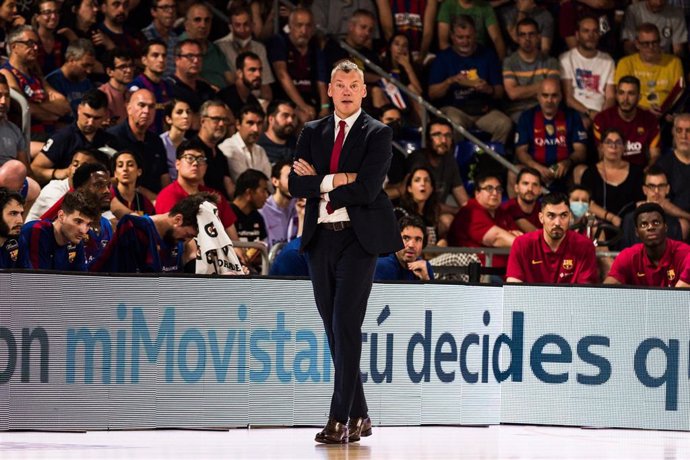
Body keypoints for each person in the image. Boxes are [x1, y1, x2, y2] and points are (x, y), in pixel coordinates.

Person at [289, 60, 402, 444]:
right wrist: (338, 179)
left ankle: (339, 419)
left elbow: (369, 189)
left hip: (359, 238)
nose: (348, 90)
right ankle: (362, 415)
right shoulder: (312, 131)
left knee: (345, 325)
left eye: (355, 84)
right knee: (334, 330)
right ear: (331, 90)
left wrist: (320, 185)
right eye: (341, 84)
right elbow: (293, 183)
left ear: (364, 90)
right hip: (320, 239)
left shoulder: (378, 133)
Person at [428, 15, 512, 145]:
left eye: (469, 37)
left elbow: (500, 92)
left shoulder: (488, 55)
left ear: (475, 35)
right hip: (456, 109)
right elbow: (432, 93)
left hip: (483, 111)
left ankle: (489, 161)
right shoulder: (443, 58)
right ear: (452, 36)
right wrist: (450, 81)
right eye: (460, 37)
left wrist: (488, 89)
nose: (465, 41)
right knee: (454, 122)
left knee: (504, 123)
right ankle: (458, 161)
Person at [94, 192, 214, 273]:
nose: (187, 240)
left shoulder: (179, 239)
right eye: (188, 235)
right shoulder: (134, 229)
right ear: (178, 219)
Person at [506, 191, 598, 283]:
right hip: (531, 297)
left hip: (571, 297)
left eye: (563, 215)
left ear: (569, 217)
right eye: (551, 216)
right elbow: (513, 287)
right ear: (541, 218)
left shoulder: (585, 246)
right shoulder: (522, 243)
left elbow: (586, 292)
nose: (557, 223)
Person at [156, 139, 237, 237]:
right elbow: (173, 237)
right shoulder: (168, 195)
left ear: (206, 167)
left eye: (201, 159)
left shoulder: (215, 196)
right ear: (177, 164)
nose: (195, 163)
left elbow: (233, 238)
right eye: (189, 158)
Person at [514, 78, 587, 188]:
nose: (549, 100)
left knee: (582, 171)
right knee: (513, 172)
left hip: (566, 171)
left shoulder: (572, 116)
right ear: (538, 96)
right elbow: (520, 151)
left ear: (561, 97)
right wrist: (535, 166)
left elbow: (581, 151)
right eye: (545, 95)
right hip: (535, 171)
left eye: (554, 95)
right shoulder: (527, 117)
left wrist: (567, 162)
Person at [0, 25, 70, 138]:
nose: (36, 48)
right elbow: (25, 108)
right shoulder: (5, 72)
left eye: (37, 44)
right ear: (14, 47)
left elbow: (64, 105)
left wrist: (37, 106)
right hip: (26, 136)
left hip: (49, 131)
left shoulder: (35, 75)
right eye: (30, 43)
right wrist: (51, 110)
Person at [32, 89, 112, 184]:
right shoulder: (63, 138)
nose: (90, 122)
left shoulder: (109, 140)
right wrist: (62, 173)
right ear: (79, 109)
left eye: (96, 118)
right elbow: (35, 169)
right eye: (87, 116)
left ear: (105, 115)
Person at [268, 7, 329, 125]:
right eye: (299, 25)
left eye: (308, 26)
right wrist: (302, 106)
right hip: (285, 98)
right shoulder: (279, 42)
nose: (304, 30)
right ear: (290, 27)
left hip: (310, 99)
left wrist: (325, 107)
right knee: (304, 117)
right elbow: (282, 74)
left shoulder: (315, 46)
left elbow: (321, 81)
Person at [107, 88, 170, 201]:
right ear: (129, 108)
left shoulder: (156, 140)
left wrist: (165, 201)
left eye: (151, 107)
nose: (146, 111)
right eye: (141, 105)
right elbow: (112, 180)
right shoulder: (112, 138)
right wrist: (153, 199)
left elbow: (164, 177)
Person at [605, 203, 690, 286]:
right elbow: (606, 290)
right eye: (644, 224)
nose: (650, 227)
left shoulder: (685, 253)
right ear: (637, 232)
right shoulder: (628, 256)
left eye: (656, 223)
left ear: (665, 227)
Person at [448, 171, 521, 268]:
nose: (495, 193)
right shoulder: (470, 211)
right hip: (478, 273)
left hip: (503, 271)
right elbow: (497, 238)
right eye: (489, 188)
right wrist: (528, 245)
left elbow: (517, 235)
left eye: (498, 189)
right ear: (477, 193)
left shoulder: (501, 212)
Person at [580, 128, 645, 229]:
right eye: (608, 142)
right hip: (600, 225)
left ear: (624, 147)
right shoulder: (590, 173)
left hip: (631, 226)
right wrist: (612, 218)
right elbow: (588, 204)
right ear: (601, 147)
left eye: (618, 143)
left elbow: (640, 202)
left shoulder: (636, 172)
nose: (613, 147)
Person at [615, 23, 684, 117]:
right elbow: (621, 97)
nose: (651, 47)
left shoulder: (674, 62)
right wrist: (645, 110)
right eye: (646, 44)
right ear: (637, 44)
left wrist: (671, 112)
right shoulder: (625, 63)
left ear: (660, 42)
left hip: (666, 115)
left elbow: (679, 94)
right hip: (636, 114)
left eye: (654, 42)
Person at [19, 190, 99, 271]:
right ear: (61, 216)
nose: (83, 231)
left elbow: (80, 279)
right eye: (78, 221)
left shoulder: (75, 239)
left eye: (88, 224)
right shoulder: (37, 231)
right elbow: (38, 279)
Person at [559, 16, 615, 129]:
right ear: (577, 35)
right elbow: (568, 98)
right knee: (583, 124)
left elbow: (610, 97)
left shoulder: (608, 60)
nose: (591, 35)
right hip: (576, 111)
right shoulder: (566, 59)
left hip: (601, 112)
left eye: (595, 31)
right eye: (586, 31)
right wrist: (589, 113)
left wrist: (602, 116)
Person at [592, 75, 661, 167]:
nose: (625, 99)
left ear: (639, 97)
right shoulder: (602, 119)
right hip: (612, 171)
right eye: (621, 93)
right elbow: (603, 156)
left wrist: (648, 172)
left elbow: (655, 155)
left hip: (640, 173)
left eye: (631, 93)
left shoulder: (650, 119)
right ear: (616, 95)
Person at [502, 18, 560, 122]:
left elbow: (553, 91)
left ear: (538, 37)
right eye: (523, 35)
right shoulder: (509, 62)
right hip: (518, 111)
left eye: (531, 34)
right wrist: (542, 86)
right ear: (518, 38)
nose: (527, 38)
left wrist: (523, 90)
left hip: (545, 109)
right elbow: (513, 94)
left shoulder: (551, 61)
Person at [27, 148, 109, 221]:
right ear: (69, 167)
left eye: (84, 166)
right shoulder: (54, 190)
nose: (77, 169)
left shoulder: (99, 192)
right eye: (75, 164)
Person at [406, 118, 469, 211]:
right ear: (427, 139)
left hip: (437, 213)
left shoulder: (449, 160)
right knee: (447, 220)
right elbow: (419, 201)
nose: (443, 140)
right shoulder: (417, 159)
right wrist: (456, 211)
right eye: (437, 135)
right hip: (415, 213)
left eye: (448, 135)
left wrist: (472, 213)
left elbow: (463, 199)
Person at [618, 166, 687, 249]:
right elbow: (624, 253)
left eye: (661, 186)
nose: (656, 191)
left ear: (667, 189)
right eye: (652, 186)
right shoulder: (629, 219)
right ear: (645, 190)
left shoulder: (675, 224)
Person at [215, 5, 274, 102]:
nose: (242, 29)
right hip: (233, 99)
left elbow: (265, 84)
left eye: (246, 24)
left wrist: (266, 104)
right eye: (237, 25)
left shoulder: (259, 48)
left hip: (257, 100)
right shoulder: (220, 47)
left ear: (252, 25)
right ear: (230, 27)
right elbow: (228, 82)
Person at [219, 104, 271, 190]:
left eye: (259, 123)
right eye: (250, 123)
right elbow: (244, 185)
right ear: (238, 124)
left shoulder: (260, 150)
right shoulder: (228, 148)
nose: (256, 129)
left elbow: (269, 184)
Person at [128, 39, 173, 134]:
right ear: (144, 60)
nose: (161, 60)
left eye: (164, 56)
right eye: (155, 55)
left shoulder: (167, 86)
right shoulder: (136, 87)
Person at [181, 2, 230, 89]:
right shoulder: (178, 46)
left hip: (223, 96)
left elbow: (229, 77)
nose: (203, 25)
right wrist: (210, 88)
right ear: (186, 24)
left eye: (207, 20)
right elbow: (185, 76)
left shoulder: (215, 48)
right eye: (197, 20)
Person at [436, 0, 506, 60]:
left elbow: (497, 39)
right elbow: (443, 42)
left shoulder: (485, 6)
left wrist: (501, 63)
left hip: (479, 55)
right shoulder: (447, 5)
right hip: (455, 55)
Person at [45, 38, 96, 120]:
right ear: (71, 60)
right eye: (85, 65)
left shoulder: (87, 83)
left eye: (91, 66)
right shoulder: (53, 82)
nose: (89, 71)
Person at [193, 100, 234, 199]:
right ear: (203, 121)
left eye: (225, 120)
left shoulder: (220, 154)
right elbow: (197, 189)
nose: (221, 124)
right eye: (216, 119)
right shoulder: (192, 149)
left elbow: (230, 189)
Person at [394, 166, 444, 246]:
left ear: (431, 188)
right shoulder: (400, 213)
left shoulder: (431, 216)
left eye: (426, 180)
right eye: (417, 180)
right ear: (409, 188)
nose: (423, 184)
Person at [374, 215, 434, 281]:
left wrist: (425, 278)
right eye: (406, 238)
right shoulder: (380, 266)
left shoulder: (425, 267)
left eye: (417, 239)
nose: (411, 245)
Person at [621, 0, 687, 57]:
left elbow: (678, 49)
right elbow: (628, 46)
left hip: (664, 59)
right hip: (639, 60)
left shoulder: (676, 14)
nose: (659, 3)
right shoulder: (633, 11)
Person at [260, 160, 297, 250]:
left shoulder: (301, 206)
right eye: (289, 177)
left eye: (296, 177)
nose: (295, 182)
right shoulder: (262, 209)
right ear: (275, 181)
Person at [656, 114, 690, 211]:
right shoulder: (662, 164)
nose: (684, 136)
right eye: (679, 130)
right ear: (673, 132)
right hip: (675, 221)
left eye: (688, 131)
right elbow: (662, 204)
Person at [217, 51, 263, 118]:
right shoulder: (224, 98)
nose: (258, 74)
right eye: (252, 70)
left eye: (260, 70)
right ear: (239, 73)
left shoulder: (253, 101)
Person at [110, 150, 155, 217]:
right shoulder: (108, 195)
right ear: (115, 173)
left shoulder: (144, 202)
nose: (125, 169)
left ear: (139, 172)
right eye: (120, 165)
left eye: (130, 165)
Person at [98, 48, 135, 126]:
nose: (129, 70)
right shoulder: (101, 95)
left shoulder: (132, 94)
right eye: (122, 67)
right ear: (110, 71)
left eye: (131, 66)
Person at [142, 0, 178, 78]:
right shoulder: (143, 36)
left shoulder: (175, 38)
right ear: (153, 12)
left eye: (173, 7)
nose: (171, 11)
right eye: (165, 7)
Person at [501, 167, 543, 233]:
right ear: (516, 188)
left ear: (540, 190)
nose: (530, 189)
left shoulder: (545, 210)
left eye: (535, 184)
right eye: (525, 183)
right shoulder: (505, 209)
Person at [257, 99, 297, 164]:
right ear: (271, 119)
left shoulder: (296, 143)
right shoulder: (259, 146)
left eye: (293, 117)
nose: (290, 120)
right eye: (285, 116)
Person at [160, 99, 192, 180]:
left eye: (188, 112)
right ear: (168, 119)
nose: (186, 116)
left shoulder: (190, 144)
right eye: (179, 112)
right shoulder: (160, 142)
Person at [0, 187, 24, 268]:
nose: (20, 221)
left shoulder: (17, 240)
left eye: (21, 214)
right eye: (13, 213)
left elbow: (25, 276)